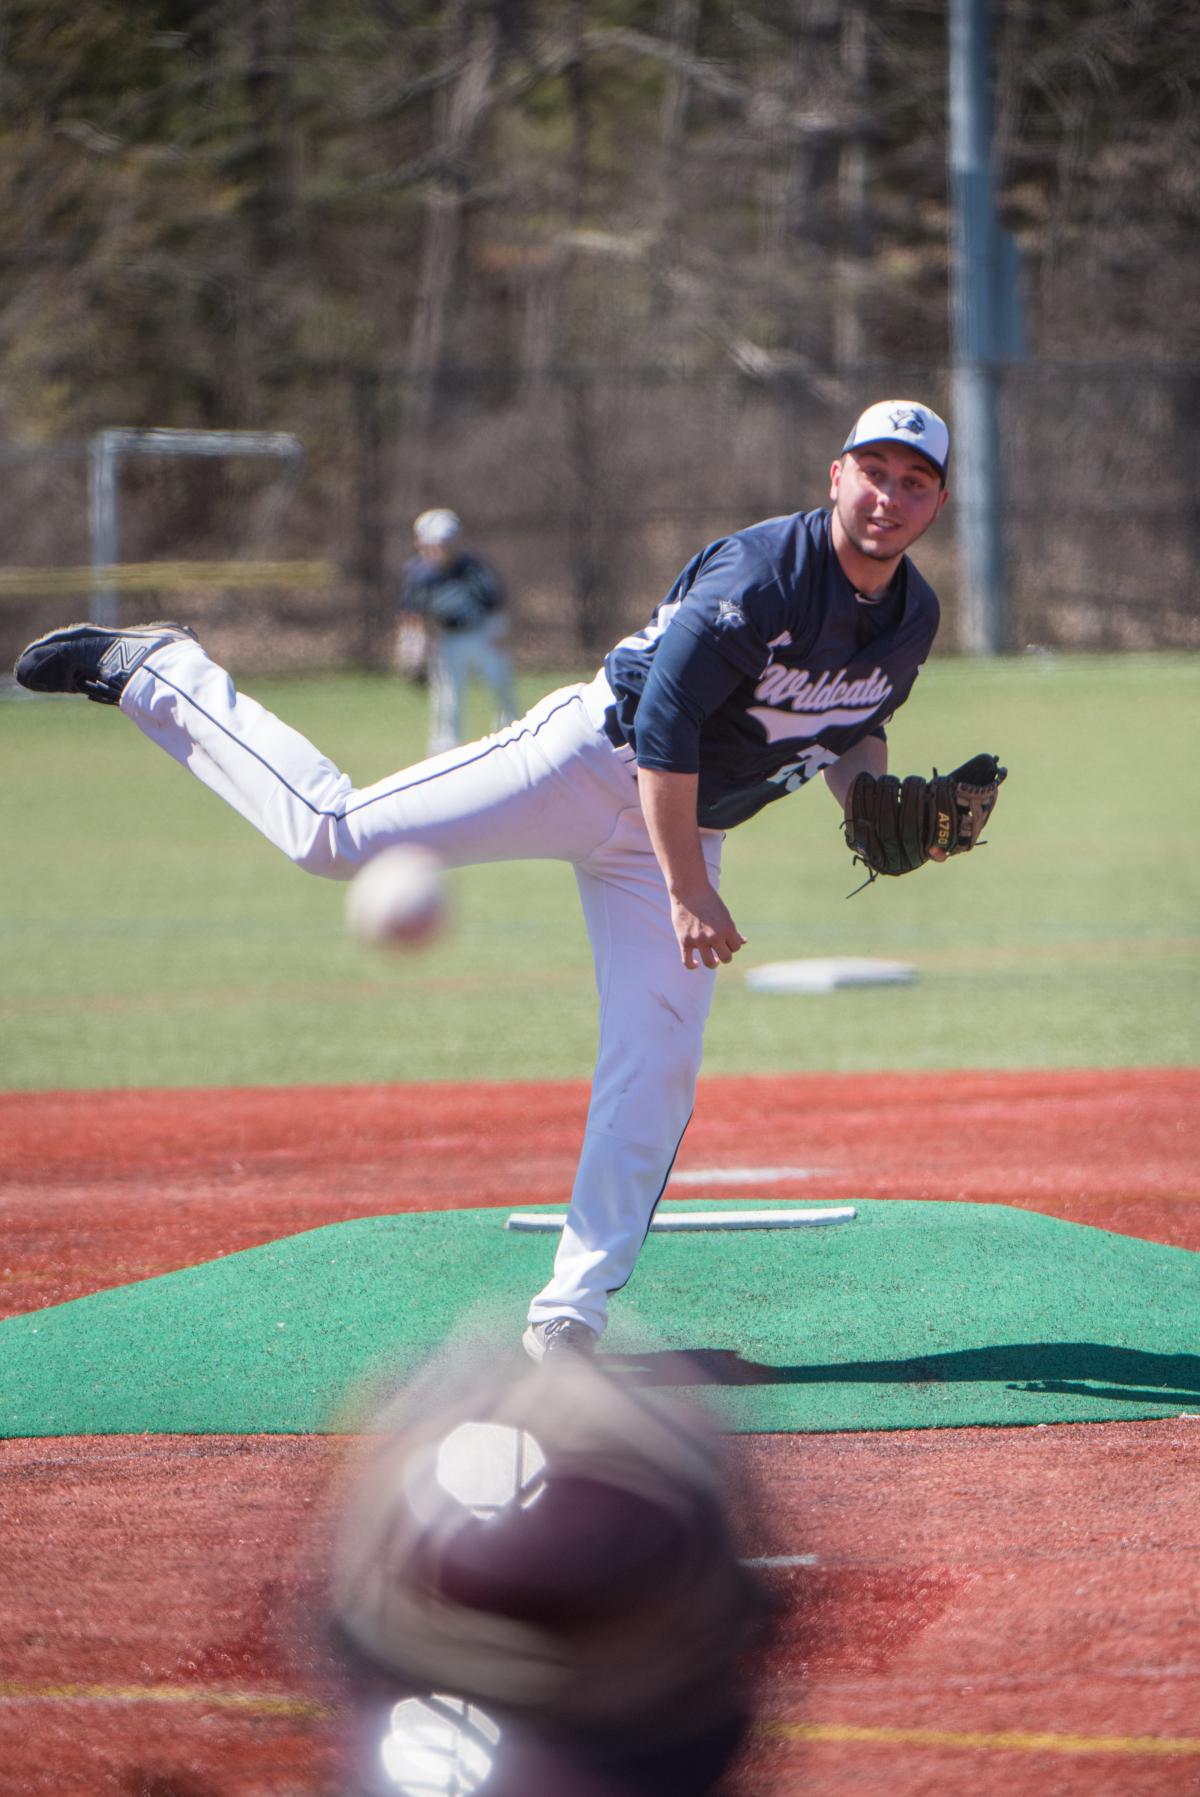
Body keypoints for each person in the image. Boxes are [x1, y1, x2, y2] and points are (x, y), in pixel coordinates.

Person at [14, 399, 953, 1363]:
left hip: (682, 833)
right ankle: (158, 672)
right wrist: (687, 889)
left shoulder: (912, 615)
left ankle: (570, 1312)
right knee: (332, 836)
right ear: (834, 476)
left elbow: (851, 730)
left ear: (936, 502)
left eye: (913, 480)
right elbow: (666, 734)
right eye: (873, 470)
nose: (889, 494)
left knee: (658, 1059)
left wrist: (873, 801)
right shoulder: (760, 574)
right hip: (588, 762)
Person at [398, 507, 517, 754]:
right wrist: (412, 649)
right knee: (447, 700)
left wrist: (498, 631)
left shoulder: (471, 567)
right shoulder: (419, 573)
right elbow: (411, 614)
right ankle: (444, 753)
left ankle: (512, 741)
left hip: (480, 634)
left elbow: (494, 601)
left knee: (501, 687)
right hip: (447, 639)